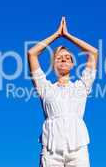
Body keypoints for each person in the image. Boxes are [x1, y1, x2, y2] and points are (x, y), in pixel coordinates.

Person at [27, 17, 98, 167]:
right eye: (59, 58)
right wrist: (56, 35)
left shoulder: (81, 86)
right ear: (54, 64)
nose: (64, 59)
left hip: (78, 149)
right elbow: (32, 53)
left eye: (68, 58)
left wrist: (67, 35)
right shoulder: (45, 88)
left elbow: (93, 53)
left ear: (72, 64)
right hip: (51, 151)